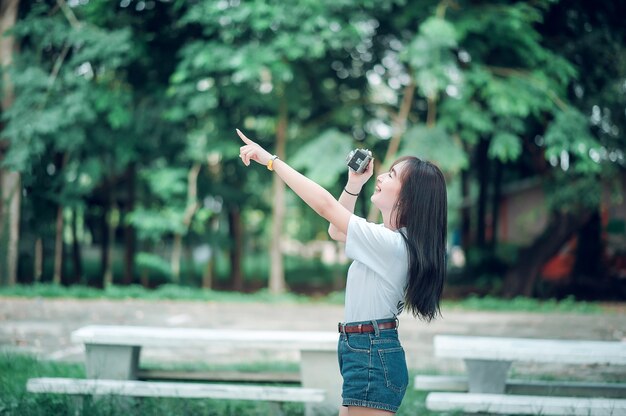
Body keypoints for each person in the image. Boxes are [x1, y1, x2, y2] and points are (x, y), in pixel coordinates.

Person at [237, 129, 447, 416]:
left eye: (393, 175)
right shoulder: (387, 240)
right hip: (362, 348)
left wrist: (271, 161)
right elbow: (336, 230)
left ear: (409, 198)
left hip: (371, 352)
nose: (382, 176)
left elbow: (325, 207)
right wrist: (353, 183)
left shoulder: (392, 246)